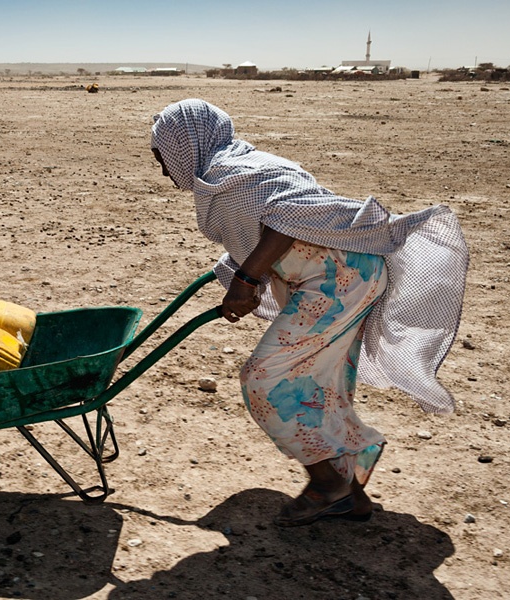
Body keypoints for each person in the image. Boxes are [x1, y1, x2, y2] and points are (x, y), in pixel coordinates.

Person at [150, 99, 468, 526]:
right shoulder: (228, 172)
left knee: (265, 381)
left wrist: (247, 279)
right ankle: (349, 494)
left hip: (339, 279)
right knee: (317, 384)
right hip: (332, 278)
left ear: (184, 143)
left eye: (162, 156)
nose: (163, 168)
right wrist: (234, 270)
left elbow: (288, 217)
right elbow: (262, 225)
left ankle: (326, 481)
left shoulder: (237, 171)